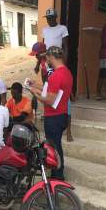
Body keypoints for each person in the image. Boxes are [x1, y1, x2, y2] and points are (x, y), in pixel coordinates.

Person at [30, 45, 72, 179]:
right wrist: (35, 85)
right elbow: (51, 90)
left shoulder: (55, 76)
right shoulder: (66, 72)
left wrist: (34, 93)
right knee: (56, 145)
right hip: (63, 114)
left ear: (51, 57)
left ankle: (58, 175)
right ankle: (58, 172)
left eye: (46, 57)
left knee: (54, 148)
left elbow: (49, 100)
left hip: (54, 117)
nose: (46, 60)